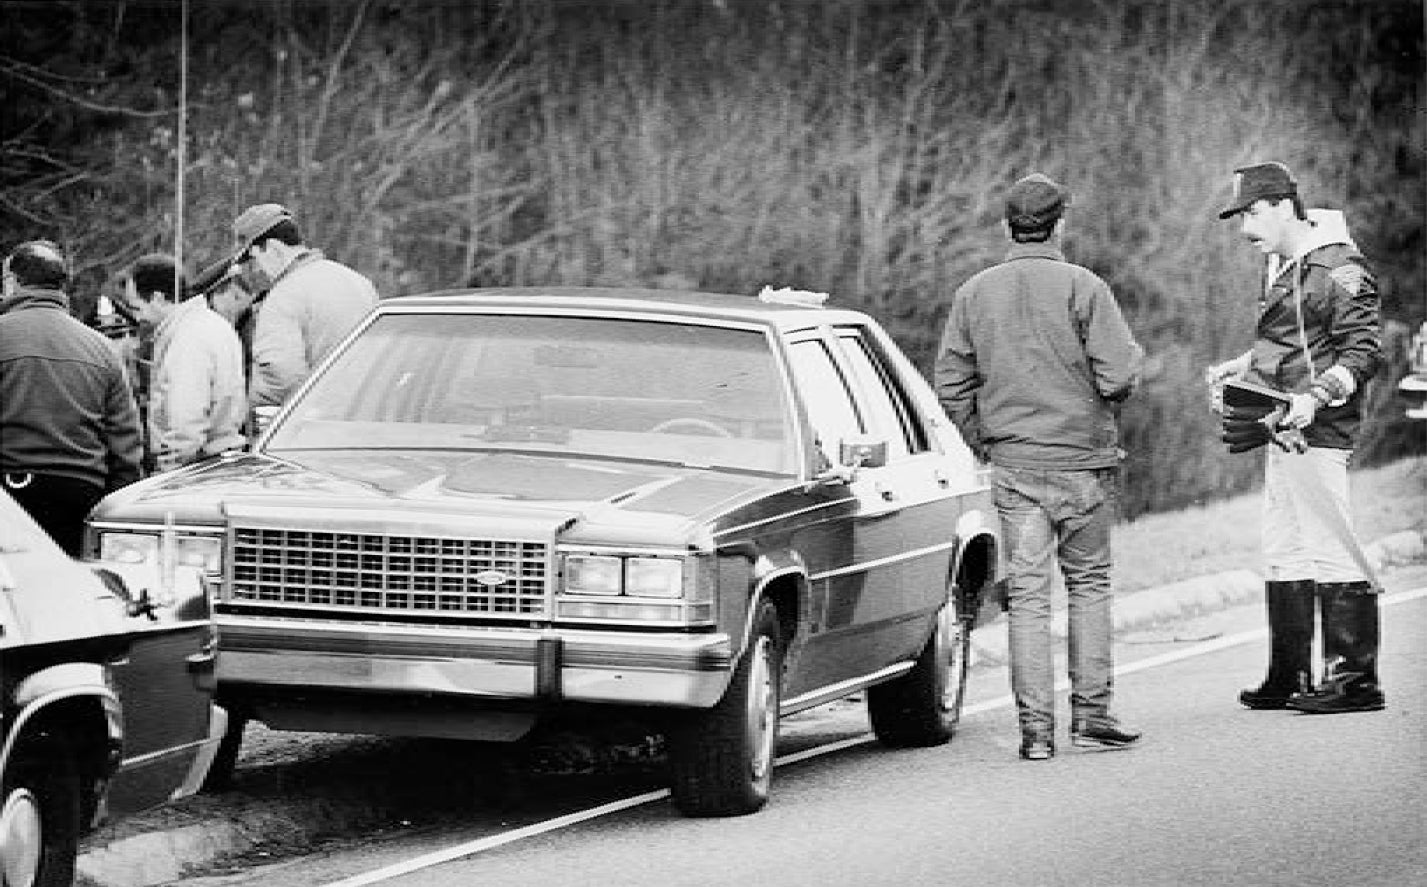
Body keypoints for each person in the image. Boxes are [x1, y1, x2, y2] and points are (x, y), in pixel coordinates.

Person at [935, 173, 1145, 761]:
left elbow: (951, 384)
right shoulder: (1086, 288)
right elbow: (1118, 377)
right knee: (1089, 585)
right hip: (1083, 466)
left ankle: (1035, 733)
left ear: (1006, 226)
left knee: (1027, 598)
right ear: (1063, 223)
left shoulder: (974, 293)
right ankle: (1092, 716)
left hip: (1015, 467)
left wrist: (985, 438)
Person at [1207, 161, 1384, 715]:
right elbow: (1288, 349)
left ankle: (1356, 681)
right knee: (1283, 547)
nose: (1244, 229)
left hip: (1319, 430)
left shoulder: (1340, 267)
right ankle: (1290, 673)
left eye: (1253, 213)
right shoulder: (1284, 265)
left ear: (1286, 206)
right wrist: (1237, 371)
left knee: (1332, 543)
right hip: (1281, 427)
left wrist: (1319, 394)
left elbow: (1363, 350)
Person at [0, 239, 143, 555]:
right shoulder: (101, 349)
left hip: (9, 492)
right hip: (80, 494)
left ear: (12, 281)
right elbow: (125, 439)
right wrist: (119, 506)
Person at [230, 203, 378, 408]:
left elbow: (279, 374)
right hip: (366, 411)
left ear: (273, 248)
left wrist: (252, 417)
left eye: (255, 258)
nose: (256, 269)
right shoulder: (358, 282)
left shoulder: (283, 296)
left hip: (317, 422)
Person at [118, 254, 248, 472]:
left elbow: (186, 423)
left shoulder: (187, 340)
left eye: (137, 307)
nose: (138, 318)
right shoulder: (213, 325)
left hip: (194, 470)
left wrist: (167, 473)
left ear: (158, 298)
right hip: (219, 460)